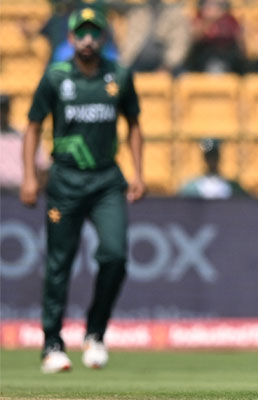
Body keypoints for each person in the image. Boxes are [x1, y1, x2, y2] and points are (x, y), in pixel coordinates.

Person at [20, 6, 145, 374]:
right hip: (65, 181)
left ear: (103, 37)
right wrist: (30, 176)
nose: (88, 40)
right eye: (81, 33)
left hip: (107, 179)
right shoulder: (56, 78)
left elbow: (134, 125)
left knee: (115, 255)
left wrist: (138, 171)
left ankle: (95, 333)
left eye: (95, 33)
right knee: (60, 262)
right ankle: (52, 344)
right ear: (71, 38)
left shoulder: (118, 76)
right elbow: (31, 126)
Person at [118, 0, 191, 74]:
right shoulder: (138, 12)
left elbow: (179, 46)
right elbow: (129, 45)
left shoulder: (175, 14)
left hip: (166, 69)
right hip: (136, 65)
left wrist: (167, 66)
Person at [0, 94, 51, 194]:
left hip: (20, 194)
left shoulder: (24, 136)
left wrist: (37, 188)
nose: (0, 114)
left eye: (3, 109)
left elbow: (43, 166)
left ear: (8, 110)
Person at [184, 0, 247, 74]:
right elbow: (192, 42)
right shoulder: (198, 20)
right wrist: (208, 21)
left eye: (217, 5)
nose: (212, 8)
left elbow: (242, 49)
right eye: (208, 5)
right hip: (202, 61)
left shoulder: (231, 22)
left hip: (228, 60)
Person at [178, 138, 249, 199]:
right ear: (205, 158)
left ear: (219, 157)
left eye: (214, 156)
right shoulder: (192, 188)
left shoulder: (233, 187)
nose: (212, 160)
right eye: (209, 157)